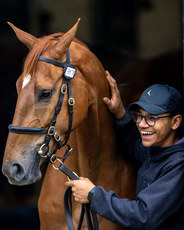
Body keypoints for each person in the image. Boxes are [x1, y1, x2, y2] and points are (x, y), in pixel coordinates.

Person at [65, 71, 184, 229]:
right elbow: (133, 146)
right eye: (139, 116)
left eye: (151, 118)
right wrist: (120, 113)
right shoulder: (156, 150)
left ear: (175, 122)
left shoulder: (179, 165)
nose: (141, 124)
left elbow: (144, 215)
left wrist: (93, 195)